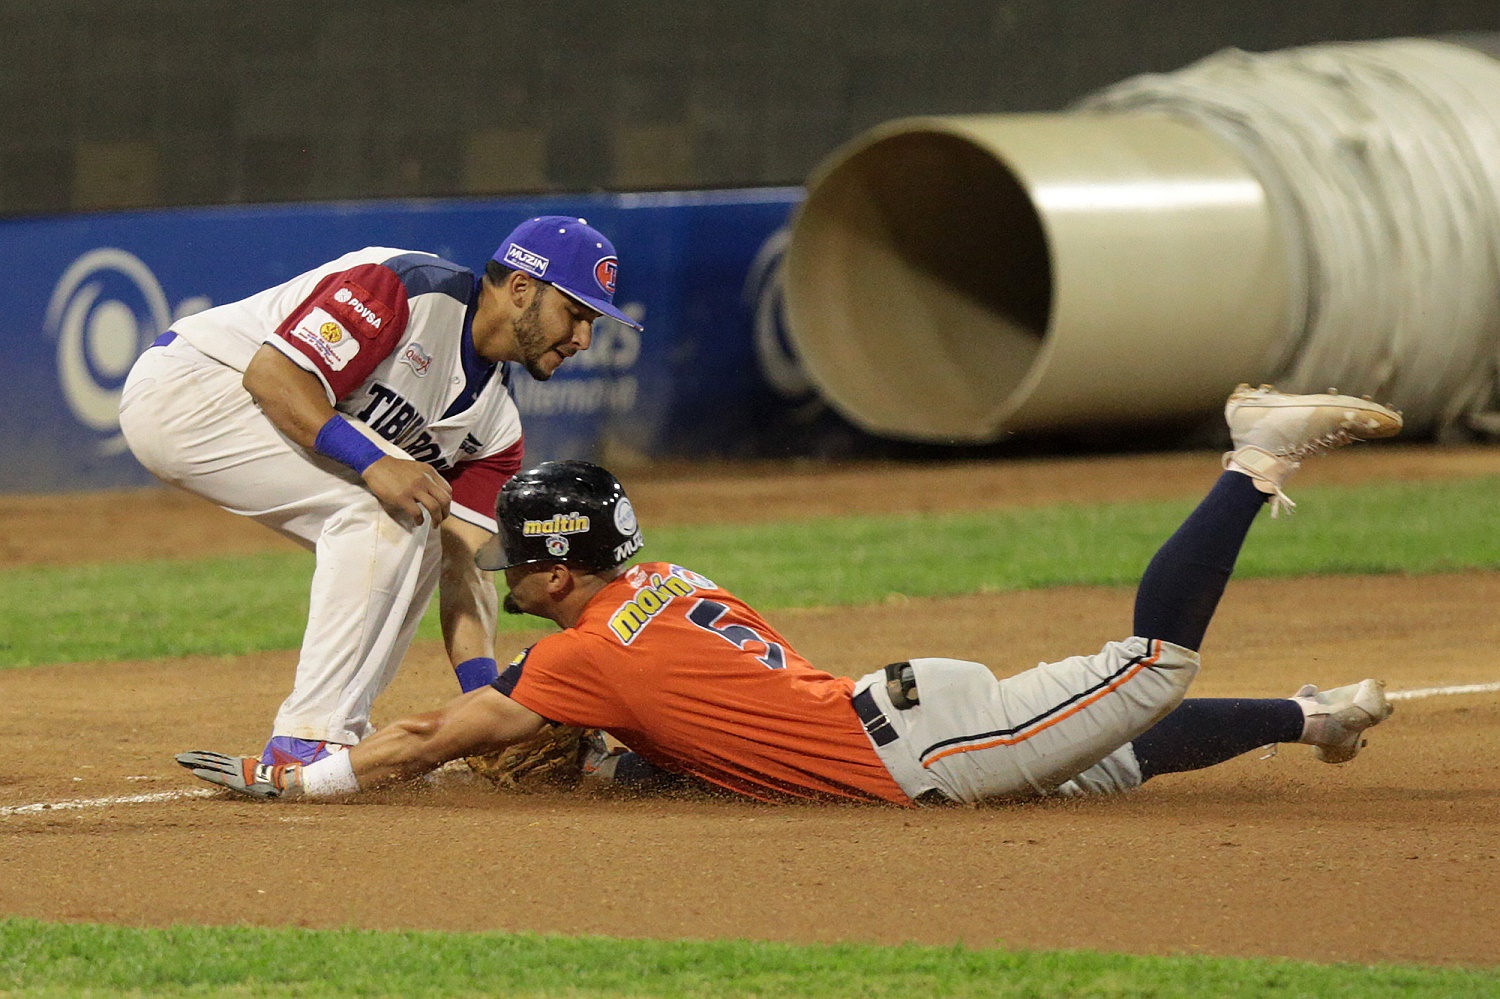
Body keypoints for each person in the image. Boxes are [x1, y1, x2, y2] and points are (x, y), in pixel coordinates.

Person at [177, 384, 1402, 804]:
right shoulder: (658, 586)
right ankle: (1313, 717)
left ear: (554, 568)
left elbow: (447, 730)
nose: (513, 577)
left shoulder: (582, 660)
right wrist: (615, 761)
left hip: (920, 750)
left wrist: (311, 775)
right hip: (906, 717)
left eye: (521, 565)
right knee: (1110, 756)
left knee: (1150, 669)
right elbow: (682, 717)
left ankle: (1255, 455)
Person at [122, 216, 643, 769]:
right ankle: (309, 737)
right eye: (577, 314)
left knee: (421, 530)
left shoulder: (497, 429)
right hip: (193, 385)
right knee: (388, 508)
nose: (584, 338)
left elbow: (461, 568)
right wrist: (375, 464)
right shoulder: (409, 288)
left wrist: (486, 705)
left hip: (246, 412)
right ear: (521, 289)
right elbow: (272, 377)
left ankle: (338, 728)